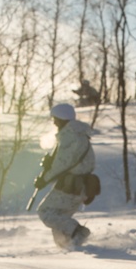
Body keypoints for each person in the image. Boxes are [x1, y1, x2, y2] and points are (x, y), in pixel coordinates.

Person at [35, 103, 96, 249]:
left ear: (62, 119)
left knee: (45, 212)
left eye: (55, 119)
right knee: (59, 216)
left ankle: (78, 231)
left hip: (72, 185)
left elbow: (62, 163)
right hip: (78, 185)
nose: (54, 123)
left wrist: (44, 179)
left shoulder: (70, 136)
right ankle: (67, 246)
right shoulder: (78, 135)